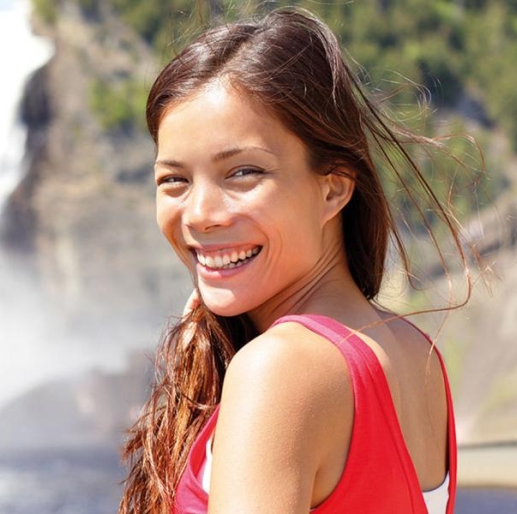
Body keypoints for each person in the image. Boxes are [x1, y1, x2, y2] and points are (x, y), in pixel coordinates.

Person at [119, 7, 470, 514]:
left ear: (333, 189)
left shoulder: (280, 370)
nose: (199, 214)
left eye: (242, 172)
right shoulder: (417, 355)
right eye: (174, 180)